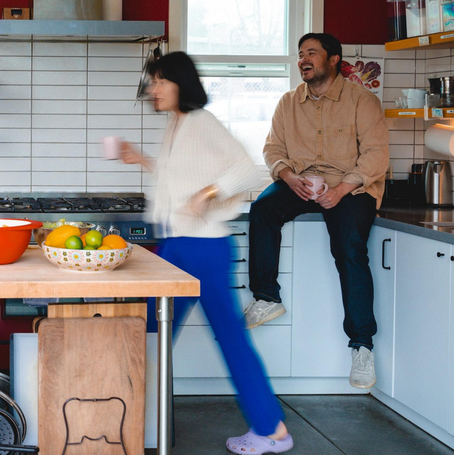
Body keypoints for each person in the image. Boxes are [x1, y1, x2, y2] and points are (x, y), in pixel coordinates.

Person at [120, 52, 293, 454]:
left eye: (161, 81)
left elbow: (249, 170)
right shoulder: (178, 124)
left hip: (203, 249)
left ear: (181, 82)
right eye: (153, 81)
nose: (153, 88)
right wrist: (141, 159)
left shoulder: (202, 122)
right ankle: (127, 421)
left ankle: (272, 431)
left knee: (218, 339)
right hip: (177, 247)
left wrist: (210, 193)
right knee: (150, 335)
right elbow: (180, 176)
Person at [244, 33, 389, 390]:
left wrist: (341, 189)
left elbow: (375, 156)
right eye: (300, 55)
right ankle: (266, 297)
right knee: (262, 209)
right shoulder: (288, 103)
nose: (303, 60)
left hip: (350, 185)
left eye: (311, 53)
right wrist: (288, 176)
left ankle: (362, 346)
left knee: (349, 248)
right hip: (301, 181)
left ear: (334, 59)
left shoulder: (362, 101)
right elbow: (273, 148)